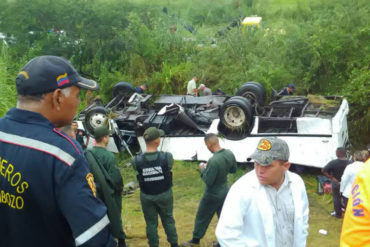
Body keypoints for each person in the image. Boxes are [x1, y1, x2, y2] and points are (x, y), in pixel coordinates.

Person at [0, 55, 116, 247]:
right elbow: (95, 239)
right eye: (78, 95)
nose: (79, 102)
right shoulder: (63, 155)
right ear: (58, 97)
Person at [216, 137, 309, 247]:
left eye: (267, 165)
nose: (260, 170)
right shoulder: (242, 188)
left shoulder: (297, 183)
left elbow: (302, 221)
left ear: (285, 166)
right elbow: (226, 234)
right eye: (256, 163)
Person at [181, 133, 237, 247]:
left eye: (206, 146)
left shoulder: (213, 160)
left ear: (209, 145)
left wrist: (202, 169)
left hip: (212, 194)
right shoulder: (229, 154)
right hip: (225, 191)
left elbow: (208, 181)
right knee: (224, 219)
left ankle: (195, 240)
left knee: (202, 216)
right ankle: (223, 242)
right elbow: (233, 170)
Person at [132, 127, 179, 247]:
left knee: (151, 223)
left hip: (147, 196)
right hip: (164, 194)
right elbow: (169, 167)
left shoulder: (136, 160)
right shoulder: (167, 157)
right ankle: (174, 244)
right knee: (168, 220)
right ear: (157, 142)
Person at [85, 126, 127, 247]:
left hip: (95, 192)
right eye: (108, 136)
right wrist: (119, 189)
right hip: (111, 193)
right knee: (115, 215)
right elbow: (116, 178)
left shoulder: (89, 153)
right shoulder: (108, 156)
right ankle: (120, 240)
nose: (109, 138)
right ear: (104, 138)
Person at [340, 158, 370, 247]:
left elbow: (344, 179)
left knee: (348, 213)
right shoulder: (364, 166)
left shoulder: (356, 167)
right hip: (358, 193)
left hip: (351, 192)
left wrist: (341, 190)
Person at [322, 147, 350, 218]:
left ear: (338, 153)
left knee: (336, 198)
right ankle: (348, 214)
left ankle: (338, 214)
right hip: (347, 184)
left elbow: (323, 170)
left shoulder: (333, 162)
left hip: (336, 182)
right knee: (346, 198)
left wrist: (332, 178)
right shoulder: (350, 162)